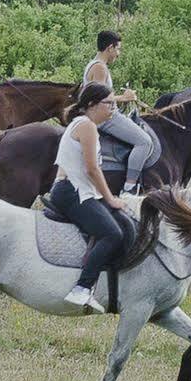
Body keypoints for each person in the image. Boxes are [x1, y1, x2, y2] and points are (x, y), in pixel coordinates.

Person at [52, 83, 129, 312]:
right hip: (71, 191)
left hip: (78, 190)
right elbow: (91, 169)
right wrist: (111, 198)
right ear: (92, 105)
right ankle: (82, 288)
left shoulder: (85, 124)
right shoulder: (87, 126)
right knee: (112, 234)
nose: (113, 109)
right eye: (109, 104)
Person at [82, 30, 158, 194]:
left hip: (103, 115)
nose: (118, 53)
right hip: (106, 118)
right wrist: (125, 97)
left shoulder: (93, 64)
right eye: (118, 49)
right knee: (145, 142)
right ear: (110, 47)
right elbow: (99, 99)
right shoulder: (100, 68)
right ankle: (129, 188)